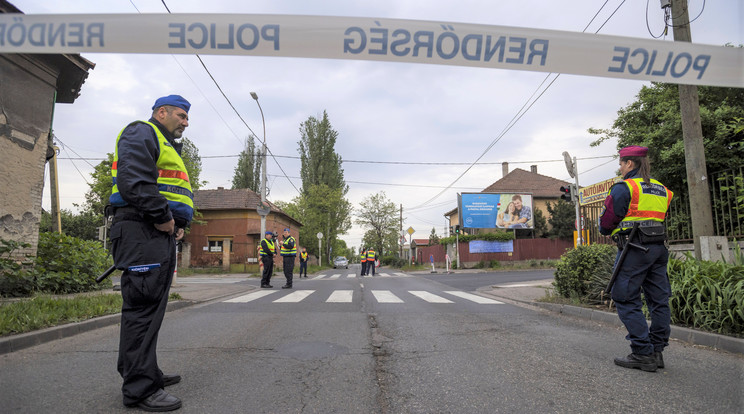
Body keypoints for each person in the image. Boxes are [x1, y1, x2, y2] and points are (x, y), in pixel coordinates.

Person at [108, 94, 193, 412]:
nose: (186, 122)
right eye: (181, 115)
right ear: (162, 112)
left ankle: (144, 372)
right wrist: (164, 218)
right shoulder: (141, 131)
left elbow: (168, 188)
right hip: (143, 229)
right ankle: (140, 389)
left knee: (150, 309)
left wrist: (178, 222)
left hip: (154, 232)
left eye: (186, 117)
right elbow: (135, 183)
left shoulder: (165, 143)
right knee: (142, 309)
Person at [599, 145, 673, 373]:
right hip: (658, 249)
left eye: (621, 164)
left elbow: (607, 221)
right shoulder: (662, 189)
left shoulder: (625, 187)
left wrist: (608, 229)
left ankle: (642, 352)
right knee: (659, 300)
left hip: (633, 248)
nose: (620, 168)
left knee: (624, 298)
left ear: (629, 163)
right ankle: (657, 351)